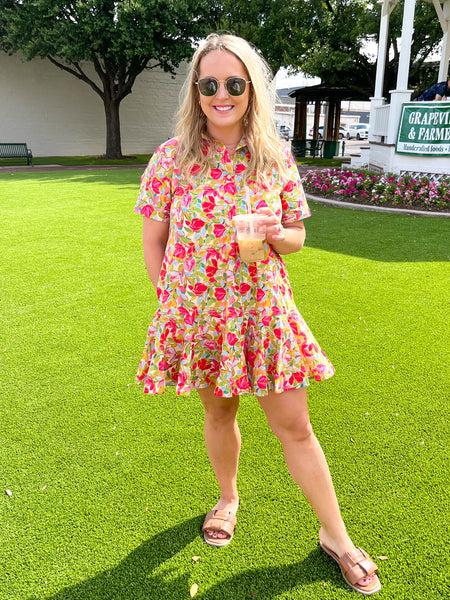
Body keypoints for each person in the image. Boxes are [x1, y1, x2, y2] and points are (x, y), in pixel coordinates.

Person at [134, 33, 381, 596]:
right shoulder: (171, 159)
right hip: (201, 320)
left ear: (252, 90)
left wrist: (276, 233)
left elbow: (296, 236)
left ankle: (336, 537)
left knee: (295, 426)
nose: (222, 94)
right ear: (196, 92)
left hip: (264, 315)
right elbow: (154, 241)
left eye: (235, 84)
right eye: (210, 85)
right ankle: (228, 497)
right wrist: (168, 300)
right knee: (219, 415)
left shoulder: (273, 154)